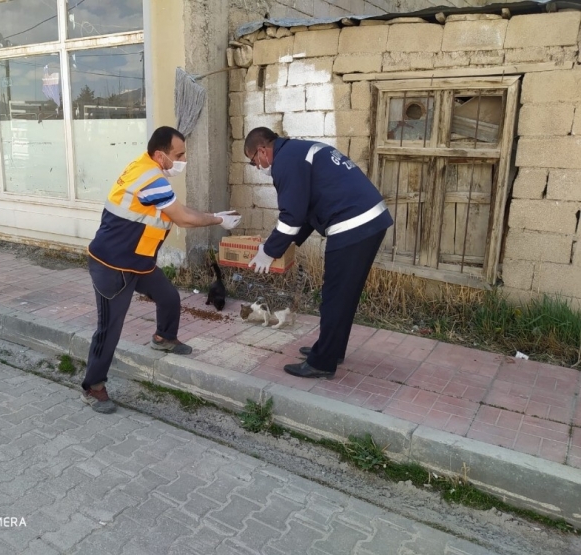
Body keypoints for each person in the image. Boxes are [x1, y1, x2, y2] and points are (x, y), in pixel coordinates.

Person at [81, 126, 242, 413]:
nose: (182, 160)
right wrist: (216, 221)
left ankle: (163, 338)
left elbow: (176, 210)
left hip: (138, 260)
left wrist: (214, 216)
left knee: (168, 297)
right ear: (160, 155)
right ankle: (93, 388)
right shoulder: (150, 179)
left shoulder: (148, 170)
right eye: (178, 155)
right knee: (109, 329)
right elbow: (182, 218)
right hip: (112, 265)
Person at [245, 127, 393, 379]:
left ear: (262, 150)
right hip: (369, 220)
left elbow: (291, 215)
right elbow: (305, 211)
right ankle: (331, 350)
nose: (257, 167)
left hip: (354, 224)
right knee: (344, 294)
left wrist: (269, 251)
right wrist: (287, 245)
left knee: (335, 294)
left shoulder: (285, 162)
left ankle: (322, 363)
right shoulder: (298, 151)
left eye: (253, 161)